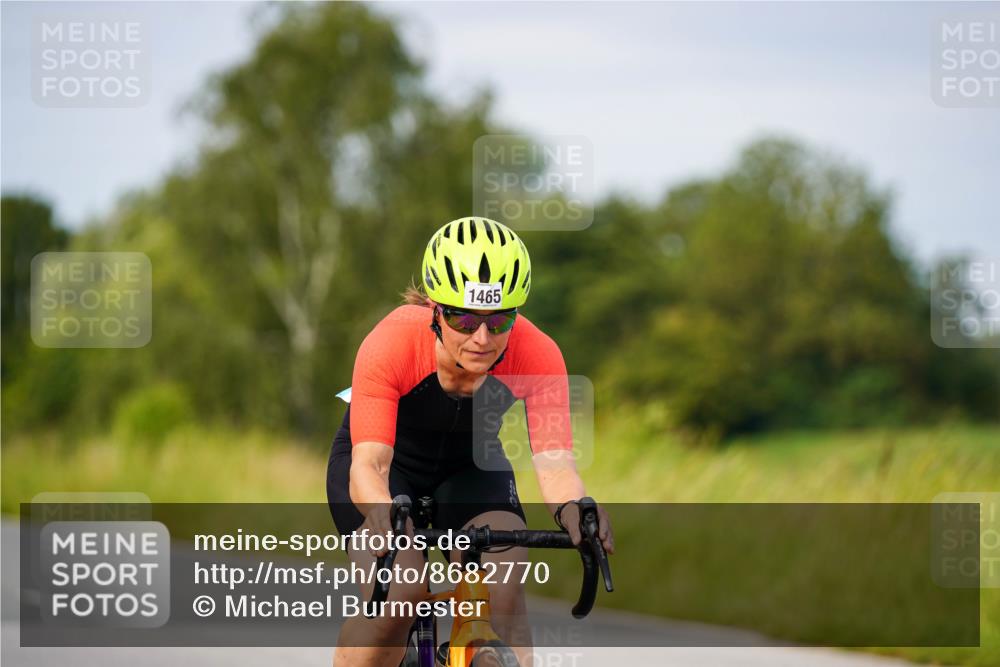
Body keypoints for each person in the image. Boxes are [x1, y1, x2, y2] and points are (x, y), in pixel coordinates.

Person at [327, 216, 613, 667]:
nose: (482, 338)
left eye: (500, 321)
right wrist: (383, 512)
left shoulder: (538, 353)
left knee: (503, 593)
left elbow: (556, 463)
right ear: (436, 311)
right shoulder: (391, 343)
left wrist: (575, 510)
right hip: (386, 469)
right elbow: (370, 466)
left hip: (470, 469)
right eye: (464, 318)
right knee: (399, 596)